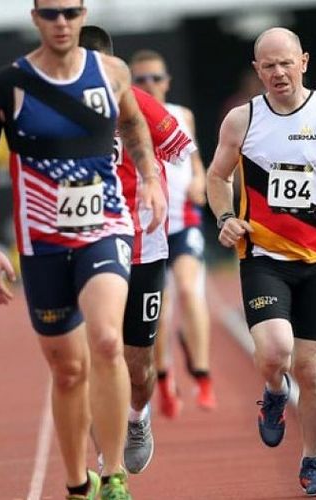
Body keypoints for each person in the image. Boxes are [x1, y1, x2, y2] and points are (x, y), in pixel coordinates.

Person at [0, 2, 166, 499]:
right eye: (50, 13)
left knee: (108, 342)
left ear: (81, 15)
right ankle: (78, 483)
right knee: (69, 369)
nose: (61, 22)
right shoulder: (6, 86)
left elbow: (136, 128)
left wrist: (152, 180)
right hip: (43, 241)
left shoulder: (112, 73)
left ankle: (114, 476)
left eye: (70, 12)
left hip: (105, 228)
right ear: (35, 18)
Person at [206, 27, 316, 496]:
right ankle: (274, 392)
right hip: (264, 255)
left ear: (304, 62)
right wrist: (224, 217)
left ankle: (312, 461)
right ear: (257, 71)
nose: (278, 73)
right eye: (269, 66)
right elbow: (217, 178)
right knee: (276, 351)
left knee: (314, 370)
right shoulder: (242, 119)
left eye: (286, 62)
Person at [78, 25, 195, 475]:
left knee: (138, 361)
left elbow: (181, 151)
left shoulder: (137, 101)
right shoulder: (54, 103)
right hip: (88, 241)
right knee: (99, 351)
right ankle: (107, 460)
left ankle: (136, 417)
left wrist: (159, 182)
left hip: (144, 241)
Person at [130, 49, 216, 416]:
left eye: (155, 78)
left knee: (188, 287)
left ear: (167, 82)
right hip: (148, 229)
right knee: (160, 311)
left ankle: (202, 374)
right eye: (141, 80)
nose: (149, 85)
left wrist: (199, 180)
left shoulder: (182, 116)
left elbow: (195, 161)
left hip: (182, 221)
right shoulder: (126, 118)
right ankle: (164, 378)